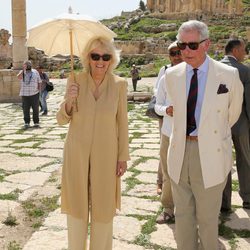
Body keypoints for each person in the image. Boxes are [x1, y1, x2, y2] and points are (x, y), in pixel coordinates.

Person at [165, 20, 243, 250]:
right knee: (183, 218)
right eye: (182, 45)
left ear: (206, 44)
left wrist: (209, 133)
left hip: (210, 152)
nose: (186, 51)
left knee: (208, 221)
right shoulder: (172, 75)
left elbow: (232, 114)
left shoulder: (228, 75)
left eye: (192, 45)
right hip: (179, 153)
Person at [56, 37, 130, 250]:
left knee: (104, 208)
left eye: (106, 57)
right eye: (95, 56)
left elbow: (122, 123)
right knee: (77, 208)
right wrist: (69, 101)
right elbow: (61, 120)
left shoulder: (119, 85)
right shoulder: (75, 80)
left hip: (107, 155)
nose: (100, 61)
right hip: (76, 154)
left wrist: (122, 156)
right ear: (87, 58)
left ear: (111, 60)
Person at [154, 41, 183, 224]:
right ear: (169, 57)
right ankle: (168, 208)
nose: (177, 56)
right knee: (168, 171)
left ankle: (189, 208)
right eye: (173, 53)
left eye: (180, 52)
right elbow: (157, 105)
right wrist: (166, 110)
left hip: (191, 133)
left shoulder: (197, 76)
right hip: (168, 131)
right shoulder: (165, 77)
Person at [220, 38, 250, 211]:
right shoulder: (244, 71)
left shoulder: (213, 69)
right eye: (244, 50)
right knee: (244, 159)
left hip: (219, 123)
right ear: (236, 50)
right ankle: (247, 197)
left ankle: (224, 202)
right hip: (241, 123)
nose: (245, 53)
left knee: (222, 160)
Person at [17, 60, 41, 129]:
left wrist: (39, 91)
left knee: (35, 109)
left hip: (35, 94)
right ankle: (26, 123)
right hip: (25, 95)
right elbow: (18, 77)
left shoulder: (35, 72)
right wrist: (23, 70)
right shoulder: (22, 72)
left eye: (28, 64)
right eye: (26, 64)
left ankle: (36, 123)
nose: (27, 66)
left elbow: (39, 81)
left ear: (31, 65)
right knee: (25, 109)